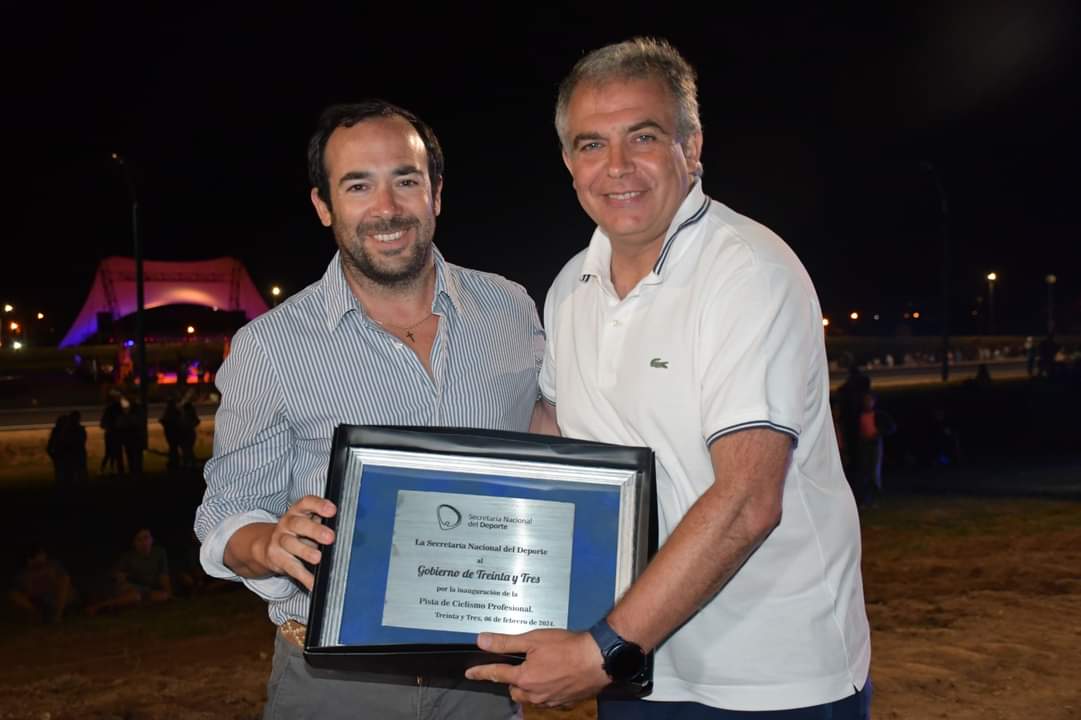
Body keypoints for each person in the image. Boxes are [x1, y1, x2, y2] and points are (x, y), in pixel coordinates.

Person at [466, 38, 871, 718]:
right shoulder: (571, 286)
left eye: (643, 136)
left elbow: (747, 499)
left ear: (692, 145)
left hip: (765, 679)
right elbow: (563, 437)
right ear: (569, 163)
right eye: (591, 144)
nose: (616, 167)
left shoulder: (744, 272)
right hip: (640, 667)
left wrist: (598, 652)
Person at [194, 100, 548, 720]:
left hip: (484, 675)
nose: (386, 208)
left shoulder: (510, 310)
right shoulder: (270, 347)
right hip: (337, 682)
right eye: (358, 185)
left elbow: (549, 441)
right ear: (323, 205)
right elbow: (225, 513)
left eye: (405, 180)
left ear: (435, 192)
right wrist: (270, 542)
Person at [85, 527, 172, 615]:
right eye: (139, 540)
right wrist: (120, 577)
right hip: (131, 588)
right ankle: (100, 606)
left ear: (152, 539)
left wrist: (168, 593)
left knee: (163, 595)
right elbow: (115, 575)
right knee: (135, 596)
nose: (144, 542)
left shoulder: (159, 552)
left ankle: (129, 606)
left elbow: (164, 575)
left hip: (146, 590)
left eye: (146, 537)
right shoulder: (128, 557)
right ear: (134, 543)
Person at [8, 545, 76, 623]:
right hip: (41, 602)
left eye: (43, 554)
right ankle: (37, 615)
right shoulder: (23, 575)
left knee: (64, 579)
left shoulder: (52, 566)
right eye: (41, 555)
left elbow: (64, 579)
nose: (44, 556)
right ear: (30, 559)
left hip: (58, 600)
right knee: (13, 594)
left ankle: (58, 614)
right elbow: (18, 592)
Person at [855, 392, 896, 507]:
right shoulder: (859, 415)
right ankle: (864, 498)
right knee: (864, 471)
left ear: (873, 402)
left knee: (874, 471)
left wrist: (878, 433)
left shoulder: (878, 415)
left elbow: (891, 426)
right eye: (865, 400)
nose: (867, 403)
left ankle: (874, 498)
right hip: (864, 445)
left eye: (869, 400)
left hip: (874, 444)